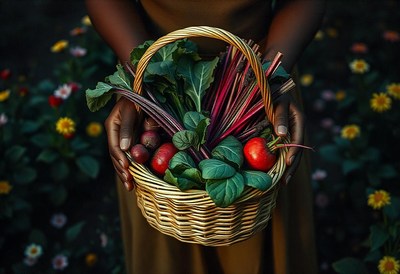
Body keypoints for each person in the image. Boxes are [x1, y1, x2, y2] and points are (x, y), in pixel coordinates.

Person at [85, 0, 326, 273]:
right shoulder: (150, 88)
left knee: (265, 217)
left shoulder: (260, 81)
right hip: (153, 75)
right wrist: (140, 80)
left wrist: (269, 77)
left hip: (253, 78)